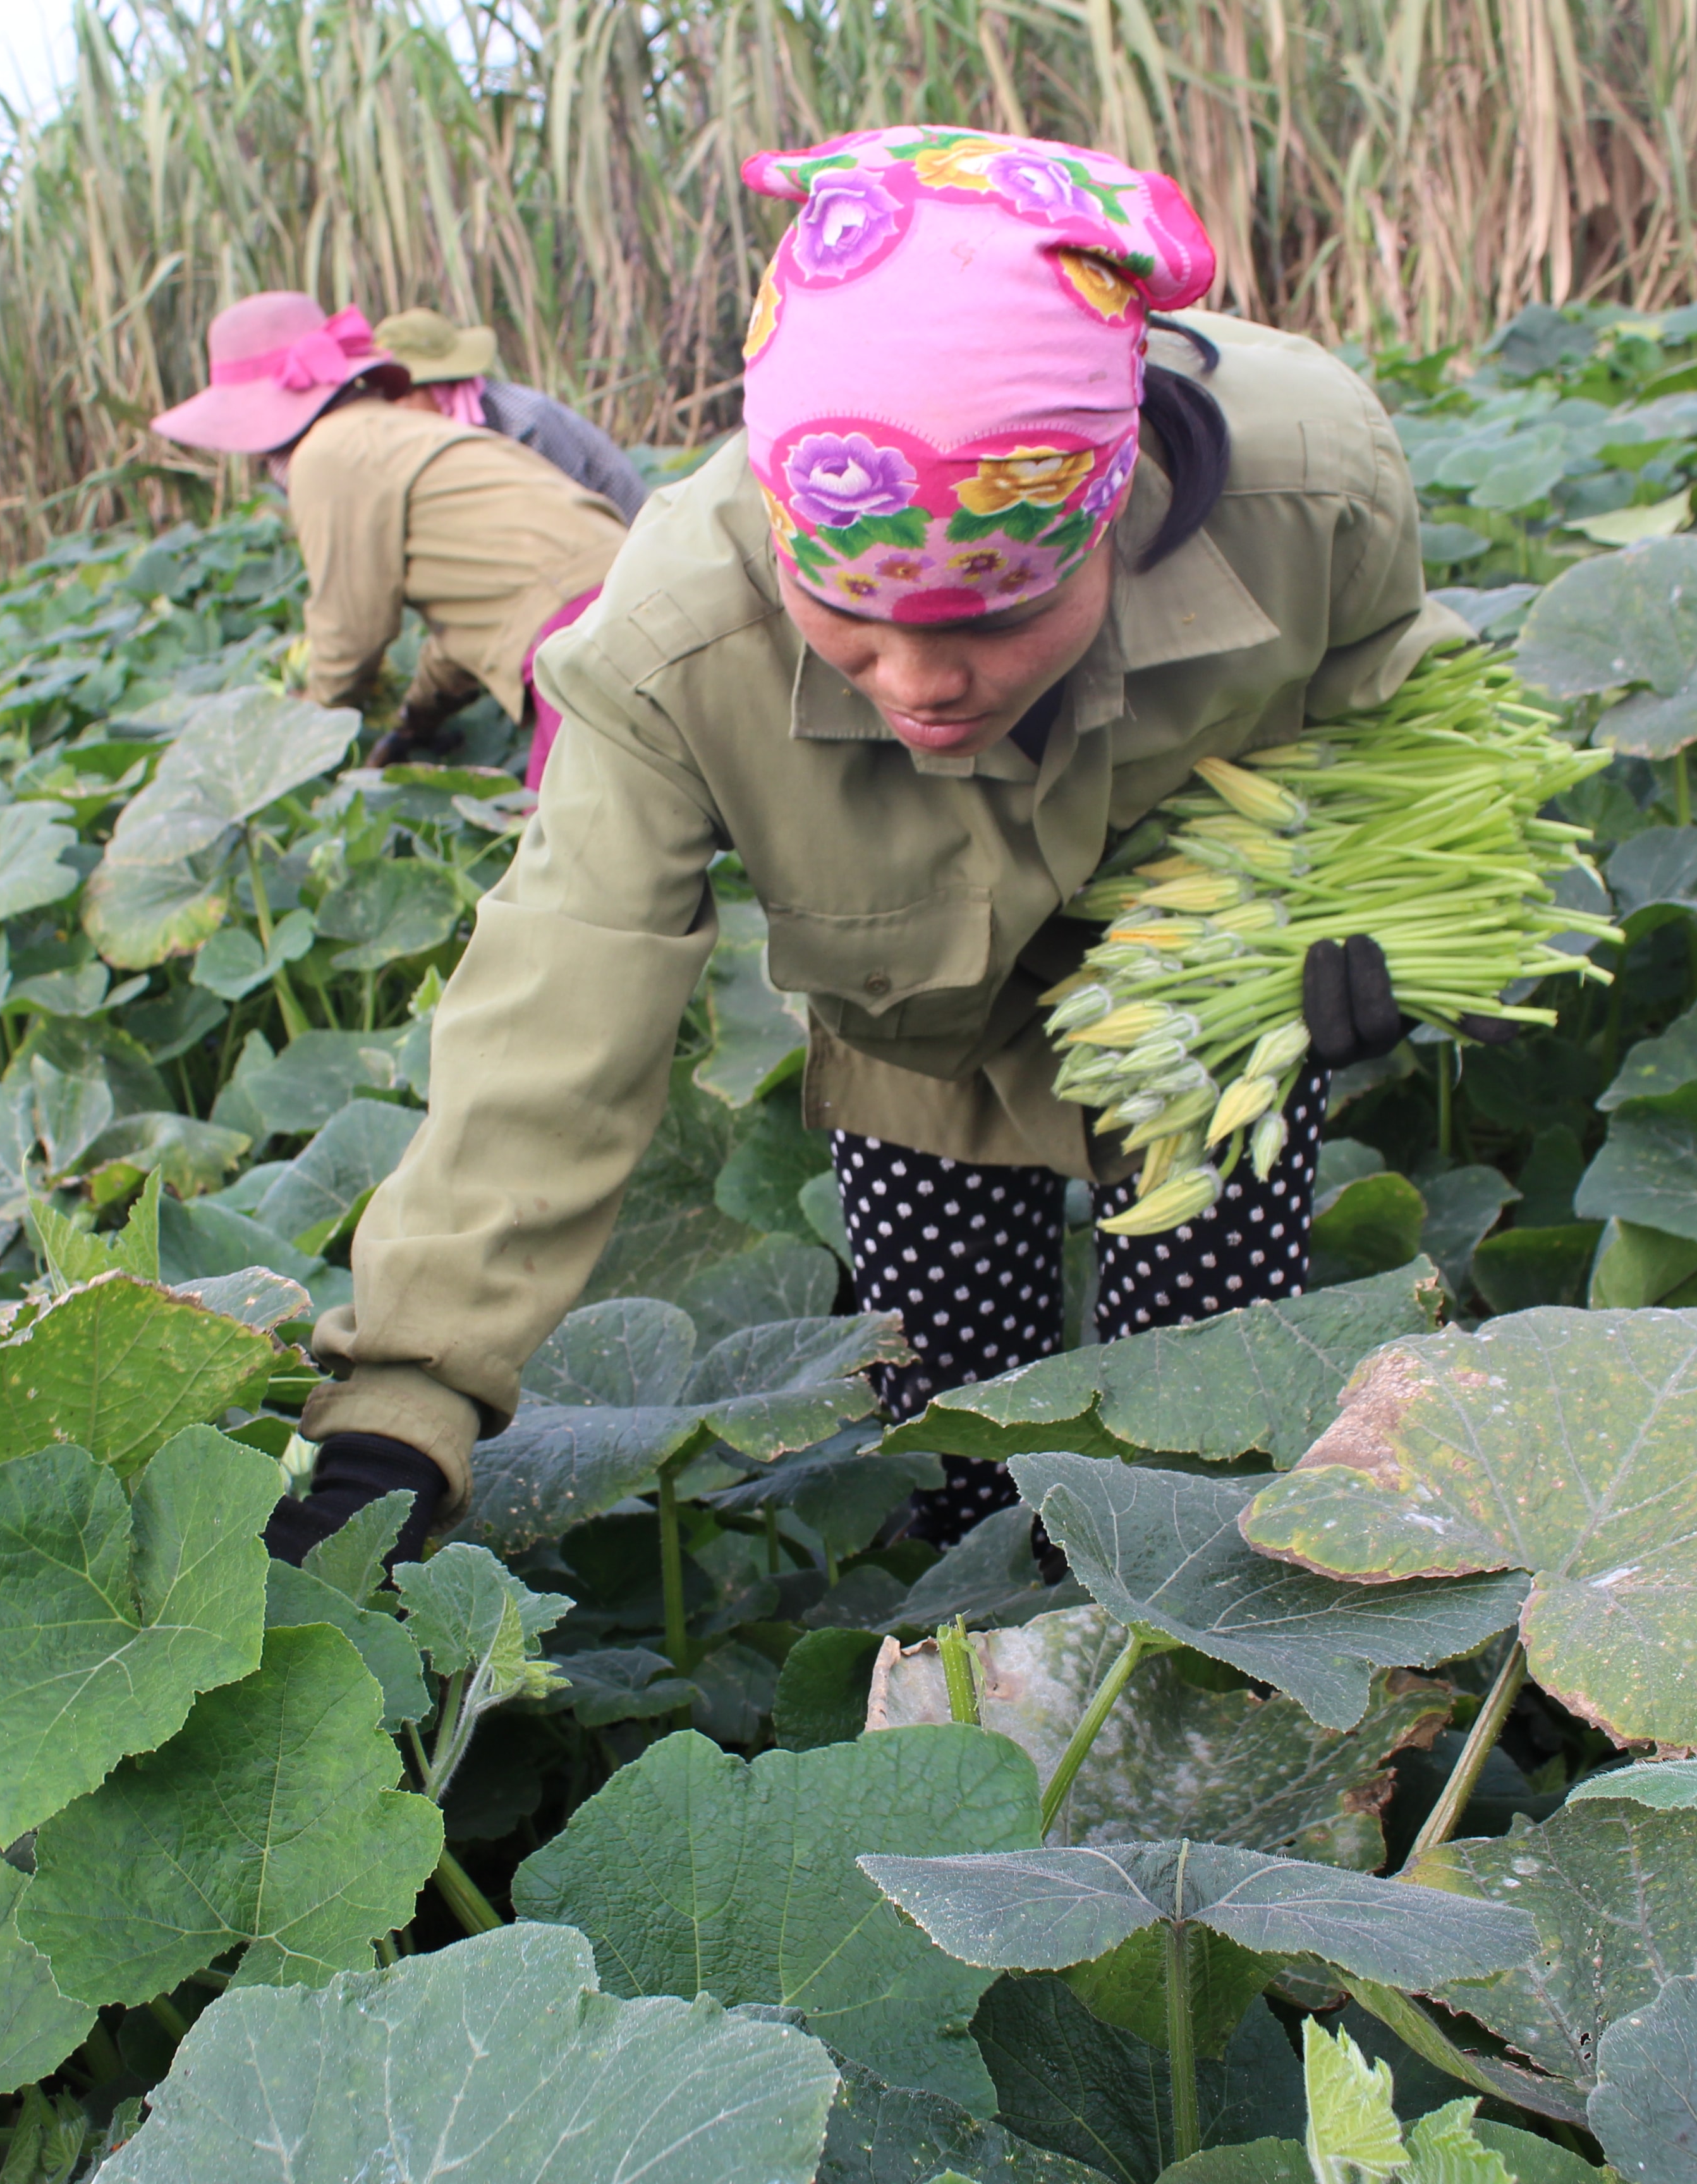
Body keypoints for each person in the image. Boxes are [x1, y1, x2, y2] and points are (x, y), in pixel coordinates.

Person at [267, 128, 1455, 1567]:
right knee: (950, 1442)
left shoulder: (1306, 485)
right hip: (918, 1038)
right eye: (853, 617)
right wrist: (405, 1394)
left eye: (989, 618)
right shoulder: (670, 635)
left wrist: (1395, 883)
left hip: (1207, 1006)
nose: (915, 682)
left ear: (1107, 517)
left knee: (1211, 1463)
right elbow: (559, 985)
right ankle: (982, 1659)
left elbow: (1407, 698)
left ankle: (1206, 1687)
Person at [151, 294, 626, 781]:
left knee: (567, 851)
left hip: (579, 644)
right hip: (635, 598)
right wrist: (413, 724)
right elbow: (481, 621)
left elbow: (352, 630)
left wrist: (305, 724)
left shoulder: (327, 454)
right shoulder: (411, 431)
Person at [374, 308, 652, 520]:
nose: (395, 409)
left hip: (618, 533)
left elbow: (573, 512)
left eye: (404, 395)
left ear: (441, 389)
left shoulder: (524, 422)